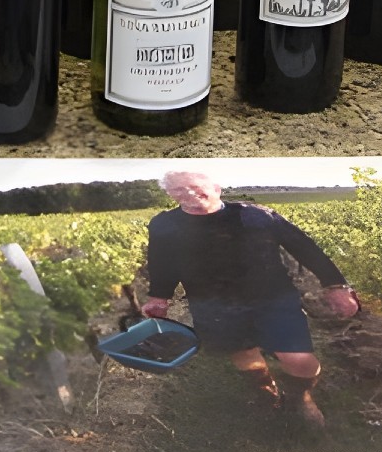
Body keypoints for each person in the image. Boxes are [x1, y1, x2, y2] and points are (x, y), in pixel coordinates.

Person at [141, 171, 359, 429]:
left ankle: (301, 397)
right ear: (170, 195)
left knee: (297, 359)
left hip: (273, 297)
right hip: (212, 303)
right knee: (242, 351)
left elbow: (304, 247)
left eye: (195, 187)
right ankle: (266, 391)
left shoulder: (256, 216)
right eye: (178, 190)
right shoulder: (165, 225)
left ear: (217, 188)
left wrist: (335, 285)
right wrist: (159, 298)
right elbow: (162, 263)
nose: (188, 193)